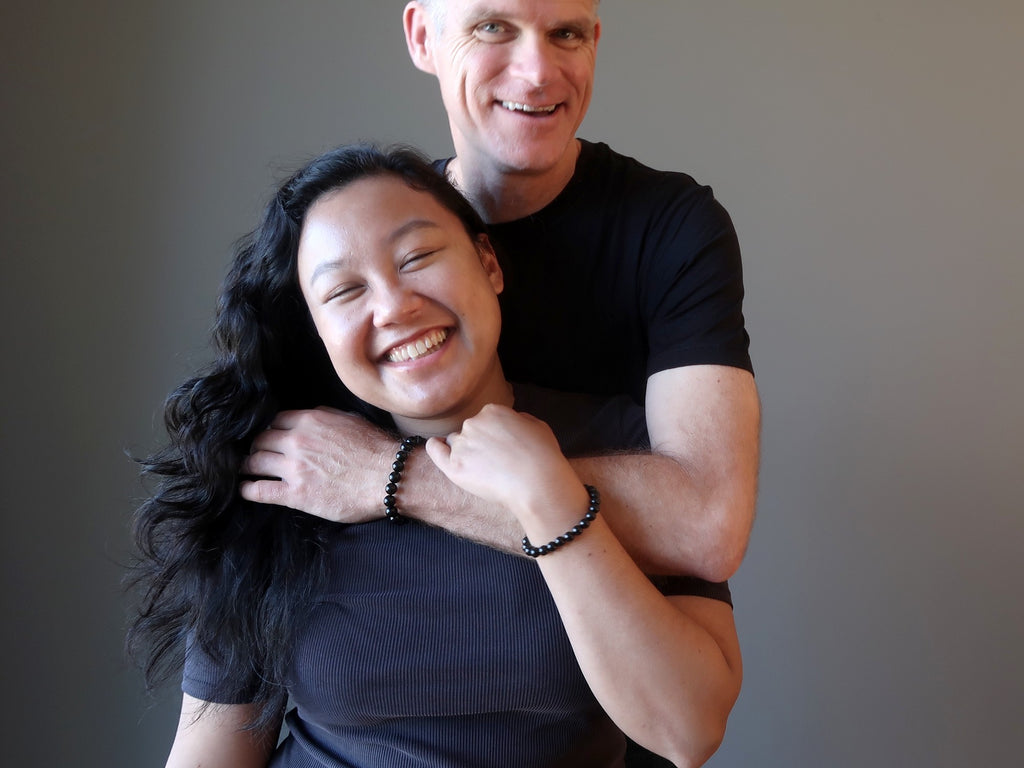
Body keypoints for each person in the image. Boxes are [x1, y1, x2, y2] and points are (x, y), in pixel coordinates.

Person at [128, 144, 742, 767]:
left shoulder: (624, 451)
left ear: (488, 264)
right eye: (344, 291)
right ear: (316, 329)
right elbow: (211, 752)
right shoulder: (290, 468)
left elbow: (688, 731)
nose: (394, 307)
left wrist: (549, 498)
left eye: (417, 257)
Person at [238, 0, 760, 585]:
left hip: (620, 641)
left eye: (565, 33)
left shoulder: (672, 228)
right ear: (422, 37)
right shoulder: (340, 241)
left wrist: (389, 475)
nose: (538, 73)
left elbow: (707, 525)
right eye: (493, 27)